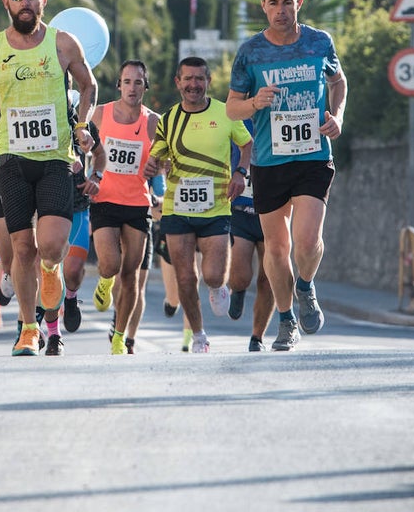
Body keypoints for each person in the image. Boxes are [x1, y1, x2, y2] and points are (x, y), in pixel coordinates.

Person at [0, 0, 98, 356]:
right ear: (6, 3)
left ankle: (51, 273)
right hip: (13, 161)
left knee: (51, 247)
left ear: (44, 0)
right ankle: (28, 329)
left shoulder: (62, 43)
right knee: (22, 250)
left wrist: (83, 124)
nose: (25, 2)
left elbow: (88, 85)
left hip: (56, 158)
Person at [226, 0, 347, 351]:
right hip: (269, 162)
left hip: (313, 155)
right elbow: (231, 108)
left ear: (299, 4)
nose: (281, 10)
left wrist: (337, 116)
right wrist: (253, 103)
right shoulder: (250, 52)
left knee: (307, 243)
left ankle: (306, 286)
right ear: (263, 7)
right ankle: (285, 318)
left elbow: (338, 82)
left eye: (287, 2)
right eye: (273, 3)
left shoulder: (319, 42)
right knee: (277, 250)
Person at [143, 56, 252, 353]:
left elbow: (246, 144)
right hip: (177, 208)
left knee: (213, 275)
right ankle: (199, 335)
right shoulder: (168, 119)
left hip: (216, 207)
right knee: (185, 276)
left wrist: (241, 172)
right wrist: (152, 166)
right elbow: (158, 155)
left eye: (199, 79)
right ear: (178, 83)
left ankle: (218, 287)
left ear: (208, 82)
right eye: (187, 79)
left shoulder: (226, 113)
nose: (193, 84)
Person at [87, 60, 159, 355]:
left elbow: (162, 162)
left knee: (131, 275)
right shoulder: (100, 114)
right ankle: (104, 282)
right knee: (111, 265)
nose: (132, 88)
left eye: (138, 82)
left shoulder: (153, 121)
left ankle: (119, 336)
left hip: (137, 202)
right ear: (118, 85)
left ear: (145, 86)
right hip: (104, 199)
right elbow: (81, 146)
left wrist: (158, 168)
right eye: (127, 82)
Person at [227, 119, 275, 351]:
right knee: (241, 274)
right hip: (241, 210)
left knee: (269, 279)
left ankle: (257, 337)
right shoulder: (237, 118)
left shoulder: (280, 116)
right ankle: (237, 288)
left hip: (274, 210)